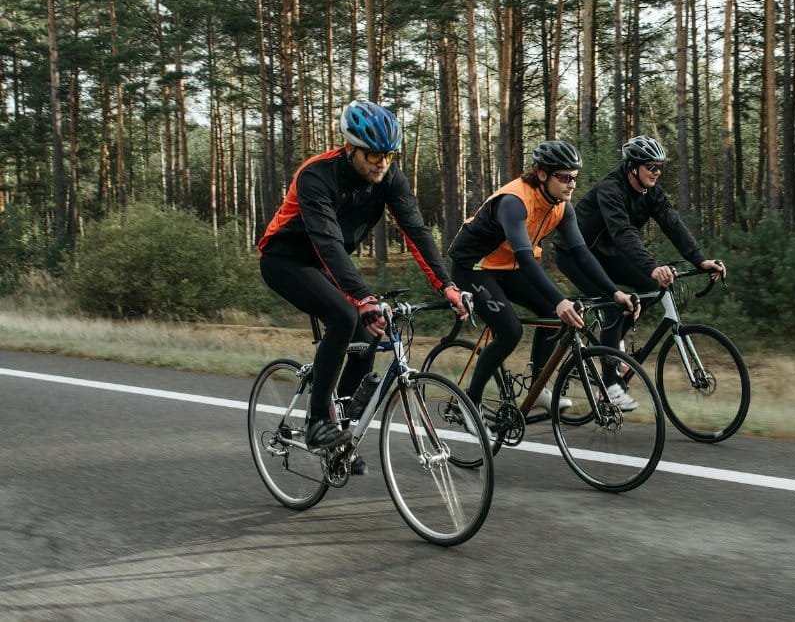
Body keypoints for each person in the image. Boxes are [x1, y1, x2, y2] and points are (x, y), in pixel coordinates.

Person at [258, 99, 467, 463]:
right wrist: (362, 297)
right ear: (350, 147)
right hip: (285, 260)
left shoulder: (389, 177)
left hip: (329, 265)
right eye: (373, 155)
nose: (382, 163)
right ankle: (317, 423)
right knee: (344, 315)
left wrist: (446, 286)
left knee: (370, 330)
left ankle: (341, 430)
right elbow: (327, 240)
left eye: (389, 155)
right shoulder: (316, 175)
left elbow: (416, 231)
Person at [447, 140, 640, 414]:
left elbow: (582, 254)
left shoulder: (562, 206)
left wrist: (614, 292)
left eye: (575, 177)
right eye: (564, 177)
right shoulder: (514, 202)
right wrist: (560, 301)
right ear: (541, 174)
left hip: (506, 268)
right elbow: (526, 258)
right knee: (510, 331)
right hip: (473, 269)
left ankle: (538, 387)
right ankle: (470, 402)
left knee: (553, 314)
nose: (571, 184)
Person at [554, 135, 726, 407]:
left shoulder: (651, 192)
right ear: (633, 166)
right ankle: (609, 386)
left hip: (606, 255)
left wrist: (700, 260)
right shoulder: (611, 189)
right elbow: (623, 233)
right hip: (575, 254)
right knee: (613, 306)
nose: (657, 172)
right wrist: (652, 266)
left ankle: (613, 346)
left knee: (652, 287)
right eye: (651, 167)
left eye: (660, 167)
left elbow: (672, 223)